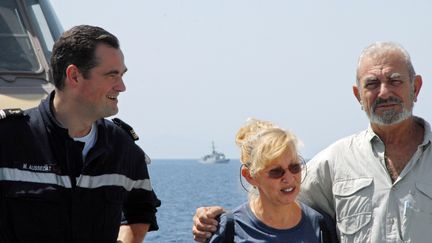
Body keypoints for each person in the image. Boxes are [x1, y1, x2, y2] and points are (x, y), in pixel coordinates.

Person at [192, 41, 432, 243]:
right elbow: (277, 196)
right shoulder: (335, 161)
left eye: (395, 80)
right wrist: (219, 219)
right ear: (358, 96)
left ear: (416, 87)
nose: (384, 92)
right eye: (371, 84)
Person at [0, 25, 160, 243]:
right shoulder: (8, 138)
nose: (122, 87)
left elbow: (140, 210)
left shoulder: (123, 147)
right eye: (112, 75)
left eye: (121, 75)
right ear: (74, 75)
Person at [207, 118, 337, 243]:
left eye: (294, 167)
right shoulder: (229, 230)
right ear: (250, 176)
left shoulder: (320, 226)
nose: (289, 178)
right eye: (276, 172)